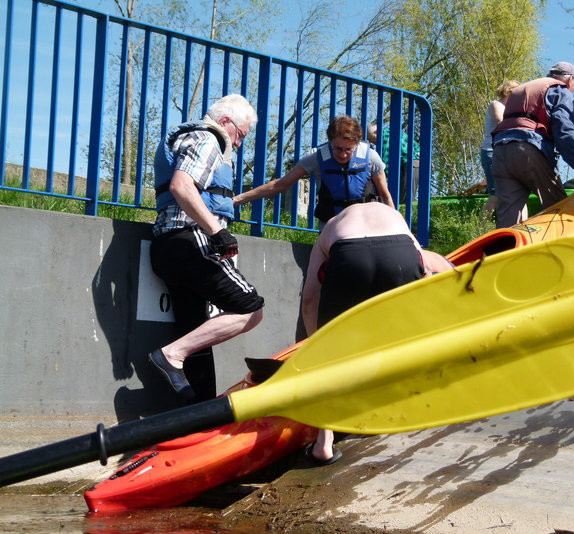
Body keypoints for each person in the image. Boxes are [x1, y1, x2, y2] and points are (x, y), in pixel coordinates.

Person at [300, 201, 452, 464]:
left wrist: (317, 346)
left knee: (328, 358)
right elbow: (426, 269)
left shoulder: (332, 227)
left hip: (349, 255)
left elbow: (310, 297)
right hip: (400, 254)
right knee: (398, 339)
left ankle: (324, 443)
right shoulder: (393, 217)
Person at [148, 94, 265, 402]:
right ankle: (171, 355)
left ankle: (197, 413)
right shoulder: (207, 138)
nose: (238, 144)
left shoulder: (192, 137)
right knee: (251, 309)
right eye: (240, 135)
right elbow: (182, 186)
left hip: (169, 247)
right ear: (226, 122)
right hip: (191, 239)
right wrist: (217, 232)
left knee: (196, 331)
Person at [235, 116, 394, 227]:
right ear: (330, 141)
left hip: (366, 222)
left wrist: (398, 230)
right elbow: (280, 185)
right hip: (332, 224)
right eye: (337, 149)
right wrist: (237, 199)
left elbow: (385, 195)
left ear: (357, 144)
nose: (343, 154)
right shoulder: (316, 157)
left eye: (348, 149)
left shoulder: (371, 157)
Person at [491, 62, 574, 229]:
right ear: (571, 79)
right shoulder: (560, 90)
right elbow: (563, 129)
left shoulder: (521, 90)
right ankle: (562, 252)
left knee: (508, 219)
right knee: (559, 208)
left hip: (499, 151)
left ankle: (502, 253)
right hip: (527, 150)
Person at [480, 80, 520, 213]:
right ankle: (482, 227)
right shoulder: (496, 104)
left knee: (517, 194)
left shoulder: (513, 110)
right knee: (495, 195)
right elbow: (500, 121)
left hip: (506, 153)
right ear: (509, 92)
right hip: (491, 152)